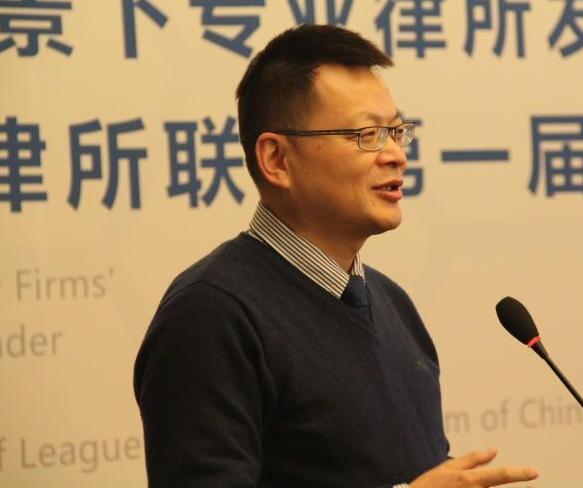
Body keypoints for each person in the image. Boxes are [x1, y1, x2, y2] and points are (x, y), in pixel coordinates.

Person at [133, 24, 538, 487]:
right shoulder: (211, 314)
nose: (396, 155)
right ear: (276, 160)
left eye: (397, 131)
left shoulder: (393, 304)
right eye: (367, 134)